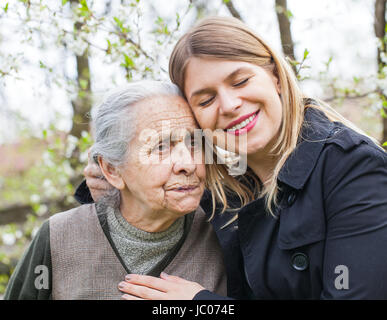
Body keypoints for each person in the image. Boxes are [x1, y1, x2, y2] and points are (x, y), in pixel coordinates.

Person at [79, 16, 387, 300]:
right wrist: (111, 173)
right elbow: (150, 196)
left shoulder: (354, 170)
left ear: (275, 76)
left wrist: (203, 305)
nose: (228, 105)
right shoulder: (226, 183)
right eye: (206, 99)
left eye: (240, 81)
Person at [4, 80, 228, 300]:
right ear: (112, 169)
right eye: (161, 147)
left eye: (193, 143)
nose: (187, 163)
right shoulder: (58, 236)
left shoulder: (226, 231)